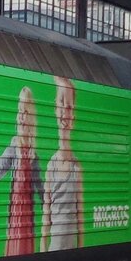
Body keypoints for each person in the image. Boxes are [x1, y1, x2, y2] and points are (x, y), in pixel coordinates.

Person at [0, 87, 43, 256]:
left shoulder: (33, 154)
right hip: (17, 209)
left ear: (31, 118)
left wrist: (47, 203)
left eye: (25, 112)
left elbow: (39, 185)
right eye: (20, 111)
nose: (21, 116)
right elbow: (2, 163)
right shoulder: (15, 144)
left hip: (27, 212)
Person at [42, 76, 84, 251]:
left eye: (69, 107)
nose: (65, 113)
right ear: (55, 109)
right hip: (54, 247)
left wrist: (81, 250)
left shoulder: (76, 168)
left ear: (73, 115)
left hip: (72, 248)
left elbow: (80, 215)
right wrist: (42, 248)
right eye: (61, 104)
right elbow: (46, 213)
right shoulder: (51, 166)